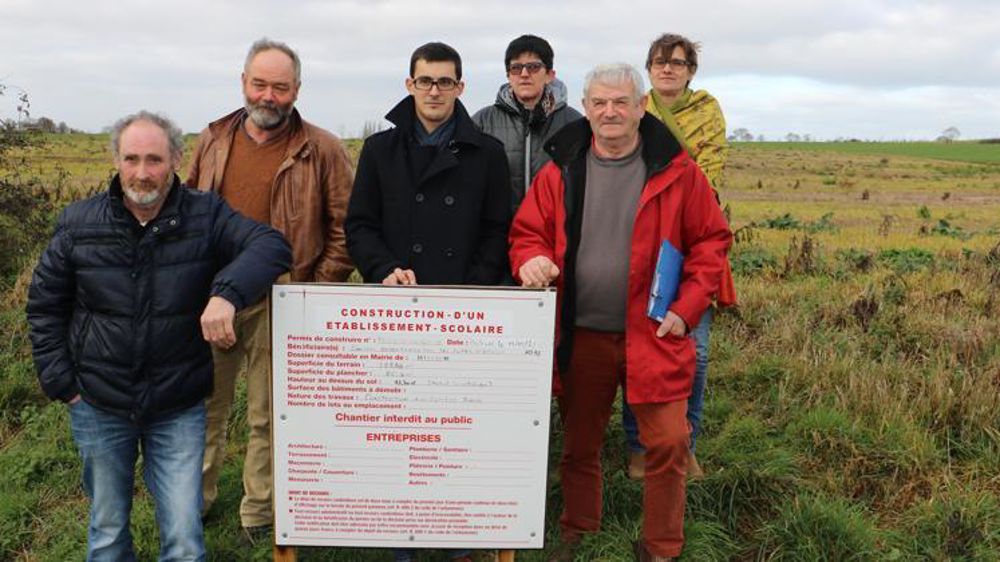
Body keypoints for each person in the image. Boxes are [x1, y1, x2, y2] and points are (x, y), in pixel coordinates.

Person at [26, 111, 291, 561]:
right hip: (97, 403)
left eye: (154, 159)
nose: (142, 173)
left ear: (176, 160)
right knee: (107, 532)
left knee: (185, 538)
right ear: (115, 159)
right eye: (131, 159)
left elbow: (271, 246)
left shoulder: (205, 214)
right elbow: (45, 306)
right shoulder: (78, 224)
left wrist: (226, 294)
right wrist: (62, 384)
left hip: (178, 406)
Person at [509, 64, 731, 562]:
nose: (610, 112)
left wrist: (687, 309)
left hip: (655, 333)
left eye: (621, 102)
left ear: (640, 107)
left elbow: (711, 242)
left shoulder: (678, 171)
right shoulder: (559, 168)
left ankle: (662, 546)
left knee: (669, 442)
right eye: (600, 103)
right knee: (579, 443)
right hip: (582, 332)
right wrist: (530, 260)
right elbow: (527, 233)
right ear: (586, 109)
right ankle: (579, 530)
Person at [345, 42, 511, 562]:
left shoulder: (487, 154)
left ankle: (458, 535)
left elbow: (497, 230)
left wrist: (469, 290)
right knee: (399, 426)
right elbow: (360, 224)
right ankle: (403, 535)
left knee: (456, 427)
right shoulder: (379, 151)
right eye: (425, 81)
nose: (434, 91)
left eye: (445, 82)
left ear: (461, 87)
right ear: (409, 84)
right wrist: (381, 270)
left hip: (460, 314)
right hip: (397, 309)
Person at [186, 38, 355, 540]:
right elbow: (188, 215)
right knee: (203, 409)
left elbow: (345, 228)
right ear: (243, 82)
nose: (269, 96)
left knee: (271, 413)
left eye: (280, 87)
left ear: (297, 90)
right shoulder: (212, 139)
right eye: (260, 84)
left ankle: (259, 512)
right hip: (213, 297)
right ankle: (194, 502)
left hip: (283, 295)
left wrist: (312, 292)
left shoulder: (321, 147)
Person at [621, 33, 737, 480]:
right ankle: (639, 445)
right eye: (659, 62)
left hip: (691, 238)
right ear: (648, 68)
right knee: (640, 348)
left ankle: (685, 444)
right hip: (641, 236)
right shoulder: (634, 107)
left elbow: (708, 175)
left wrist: (674, 194)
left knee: (697, 351)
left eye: (677, 62)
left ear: (691, 70)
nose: (667, 68)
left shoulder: (708, 111)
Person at [472, 34, 581, 214]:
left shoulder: (574, 123)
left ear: (550, 75)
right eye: (516, 68)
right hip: (499, 234)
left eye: (533, 67)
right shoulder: (481, 122)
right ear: (508, 75)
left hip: (553, 233)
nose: (524, 74)